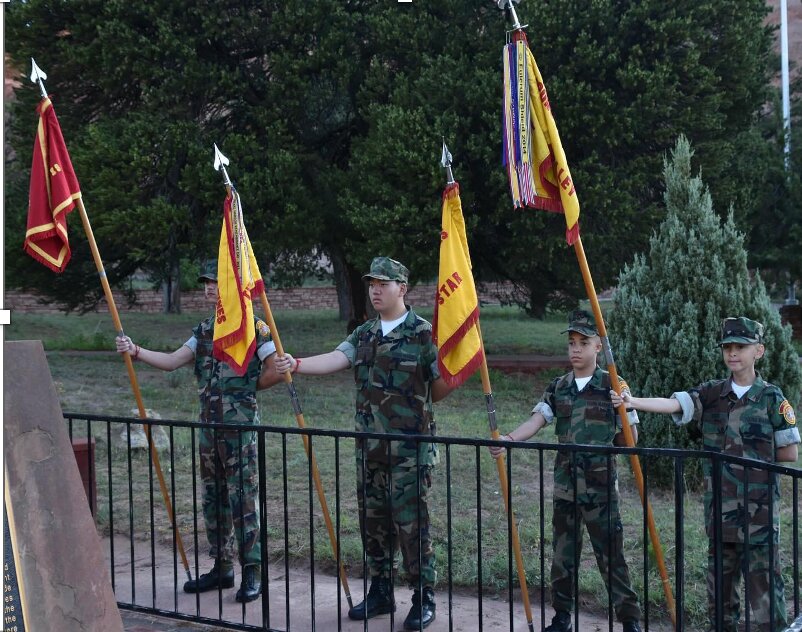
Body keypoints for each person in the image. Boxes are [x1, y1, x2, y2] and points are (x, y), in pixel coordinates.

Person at [275, 256, 453, 631]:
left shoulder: (423, 334)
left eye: (383, 284)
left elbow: (441, 386)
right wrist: (297, 363)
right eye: (371, 283)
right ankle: (381, 591)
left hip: (410, 453)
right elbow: (339, 358)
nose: (375, 290)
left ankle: (424, 596)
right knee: (374, 524)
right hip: (369, 450)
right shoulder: (365, 333)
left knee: (412, 527)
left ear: (401, 289)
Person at [614, 316, 800, 632]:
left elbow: (790, 452)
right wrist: (633, 402)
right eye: (727, 347)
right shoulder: (712, 394)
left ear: (759, 351)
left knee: (766, 594)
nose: (732, 353)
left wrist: (746, 457)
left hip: (760, 518)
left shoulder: (771, 398)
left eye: (740, 346)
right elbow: (674, 404)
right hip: (720, 515)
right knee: (720, 598)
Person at [115, 260, 282, 603]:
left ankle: (253, 570)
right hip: (209, 431)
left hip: (240, 431)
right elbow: (175, 359)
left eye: (215, 282)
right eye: (206, 283)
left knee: (243, 500)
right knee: (213, 501)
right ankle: (221, 566)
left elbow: (275, 369)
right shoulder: (205, 330)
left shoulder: (253, 326)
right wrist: (136, 351)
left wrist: (247, 389)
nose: (209, 288)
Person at [490, 310, 642, 632]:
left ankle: (629, 620)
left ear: (597, 347)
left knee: (611, 558)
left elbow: (631, 440)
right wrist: (510, 439)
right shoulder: (559, 387)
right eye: (571, 343)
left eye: (583, 343)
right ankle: (562, 617)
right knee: (563, 557)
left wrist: (624, 407)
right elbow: (538, 420)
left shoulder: (612, 384)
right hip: (565, 488)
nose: (575, 349)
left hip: (600, 490)